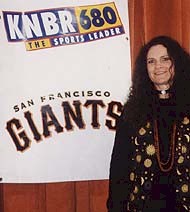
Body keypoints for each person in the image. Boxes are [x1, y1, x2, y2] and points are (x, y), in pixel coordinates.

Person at [107, 36, 190, 211]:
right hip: (143, 205)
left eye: (165, 59)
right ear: (145, 69)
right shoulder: (133, 112)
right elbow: (119, 166)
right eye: (151, 61)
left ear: (177, 63)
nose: (158, 66)